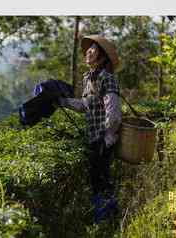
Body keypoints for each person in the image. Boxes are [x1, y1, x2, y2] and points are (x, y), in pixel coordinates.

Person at [58, 35, 122, 223]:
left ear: (102, 57)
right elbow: (83, 106)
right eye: (89, 49)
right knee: (97, 179)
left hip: (103, 138)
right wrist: (61, 101)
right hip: (94, 138)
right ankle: (106, 216)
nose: (88, 51)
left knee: (101, 178)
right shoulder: (89, 79)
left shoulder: (106, 78)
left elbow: (114, 112)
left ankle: (105, 218)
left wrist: (107, 136)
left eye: (93, 50)